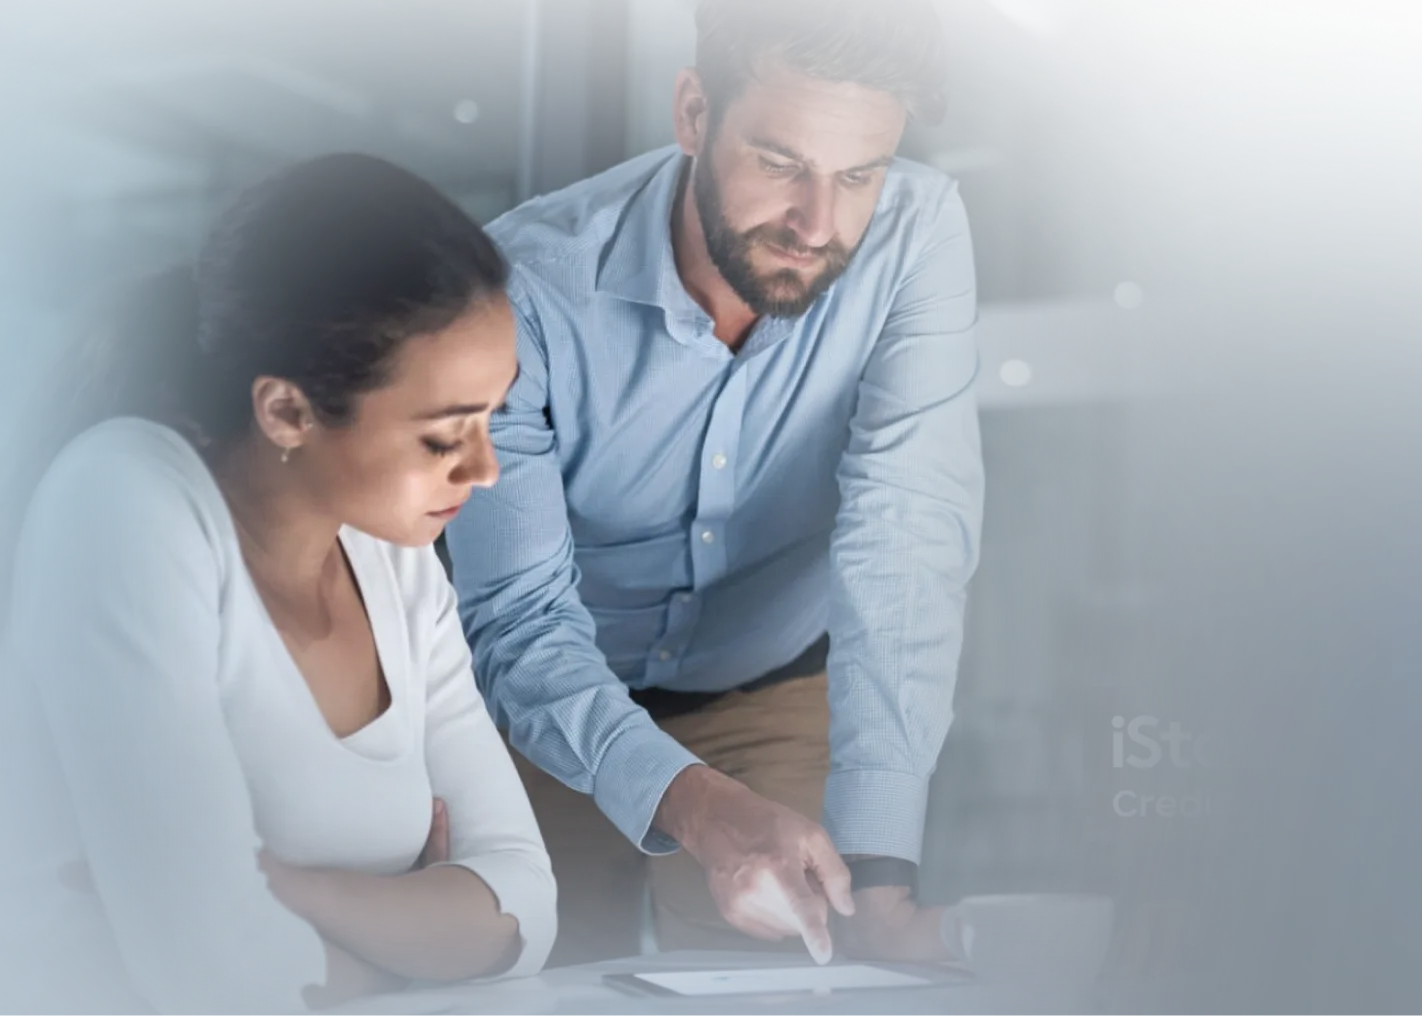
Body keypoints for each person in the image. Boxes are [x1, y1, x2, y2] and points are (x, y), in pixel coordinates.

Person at [446, 0, 978, 966]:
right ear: (694, 112)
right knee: (530, 982)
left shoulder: (917, 233)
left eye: (858, 174)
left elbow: (907, 538)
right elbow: (519, 616)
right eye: (781, 164)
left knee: (789, 982)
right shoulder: (522, 283)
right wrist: (701, 808)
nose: (818, 225)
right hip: (542, 714)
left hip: (772, 691)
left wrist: (880, 865)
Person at [0, 153, 556, 1016]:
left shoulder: (394, 555)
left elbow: (527, 910)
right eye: (445, 438)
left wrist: (291, 892)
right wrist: (419, 943)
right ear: (287, 412)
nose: (484, 471)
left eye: (496, 417)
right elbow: (216, 979)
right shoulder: (123, 502)